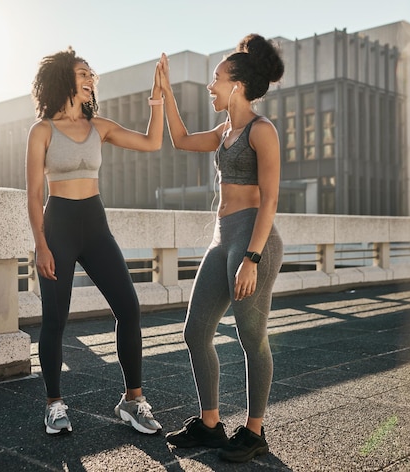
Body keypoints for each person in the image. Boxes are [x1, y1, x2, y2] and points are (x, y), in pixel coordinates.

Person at [159, 34, 285, 463]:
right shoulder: (224, 131)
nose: (211, 87)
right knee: (196, 331)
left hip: (254, 241)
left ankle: (253, 431)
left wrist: (251, 258)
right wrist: (166, 95)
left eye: (216, 79)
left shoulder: (261, 130)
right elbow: (179, 140)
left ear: (237, 85)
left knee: (251, 337)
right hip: (222, 237)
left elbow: (269, 199)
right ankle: (211, 425)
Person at [26, 47, 164, 436]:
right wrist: (41, 244)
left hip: (95, 223)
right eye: (84, 73)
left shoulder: (99, 126)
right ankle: (54, 404)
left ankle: (132, 400)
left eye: (92, 75)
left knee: (129, 309)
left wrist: (157, 97)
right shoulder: (42, 131)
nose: (91, 80)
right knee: (55, 320)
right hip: (59, 226)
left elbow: (152, 143)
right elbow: (35, 193)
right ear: (62, 79)